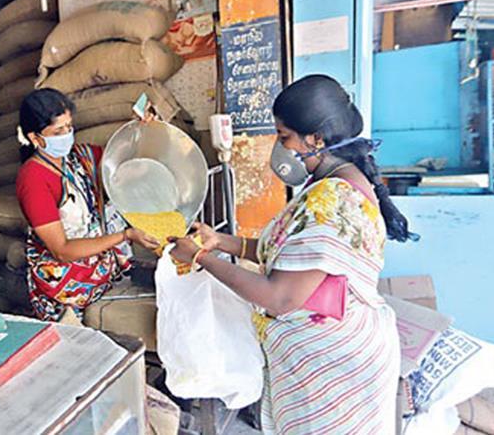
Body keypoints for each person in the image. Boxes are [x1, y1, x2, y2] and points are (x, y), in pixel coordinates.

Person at [169, 75, 414, 434]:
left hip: (333, 367)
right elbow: (289, 255)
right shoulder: (335, 181)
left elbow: (280, 296)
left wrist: (200, 258)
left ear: (315, 139)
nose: (280, 147)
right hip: (335, 353)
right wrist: (220, 241)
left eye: (284, 137)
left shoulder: (330, 200)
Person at [15, 88, 160, 322]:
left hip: (104, 271)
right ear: (35, 138)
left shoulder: (80, 158)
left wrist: (139, 129)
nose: (67, 135)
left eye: (69, 127)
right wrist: (126, 235)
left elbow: (121, 161)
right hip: (66, 286)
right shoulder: (33, 179)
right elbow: (61, 250)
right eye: (58, 131)